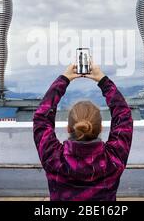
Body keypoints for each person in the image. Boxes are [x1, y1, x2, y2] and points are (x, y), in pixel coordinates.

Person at [33, 63, 133, 201]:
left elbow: (41, 119)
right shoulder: (113, 159)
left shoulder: (54, 158)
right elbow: (124, 115)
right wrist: (103, 80)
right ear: (100, 128)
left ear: (69, 128)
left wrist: (64, 79)